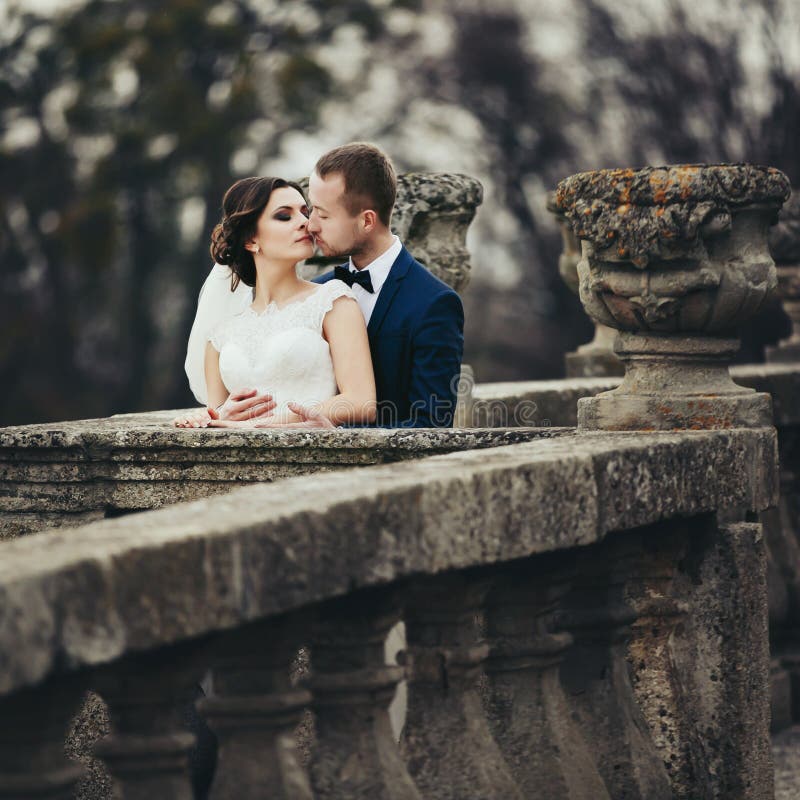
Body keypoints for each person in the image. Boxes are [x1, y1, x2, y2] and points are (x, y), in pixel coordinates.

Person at [175, 176, 376, 428]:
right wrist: (210, 417)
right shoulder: (220, 334)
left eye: (305, 212)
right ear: (251, 240)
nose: (306, 223)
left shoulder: (333, 301)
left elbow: (361, 402)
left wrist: (267, 423)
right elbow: (218, 416)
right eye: (284, 216)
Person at [307, 142, 464, 428]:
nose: (311, 225)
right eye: (311, 210)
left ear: (367, 220)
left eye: (324, 214)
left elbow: (431, 425)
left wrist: (341, 442)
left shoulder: (435, 303)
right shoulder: (317, 291)